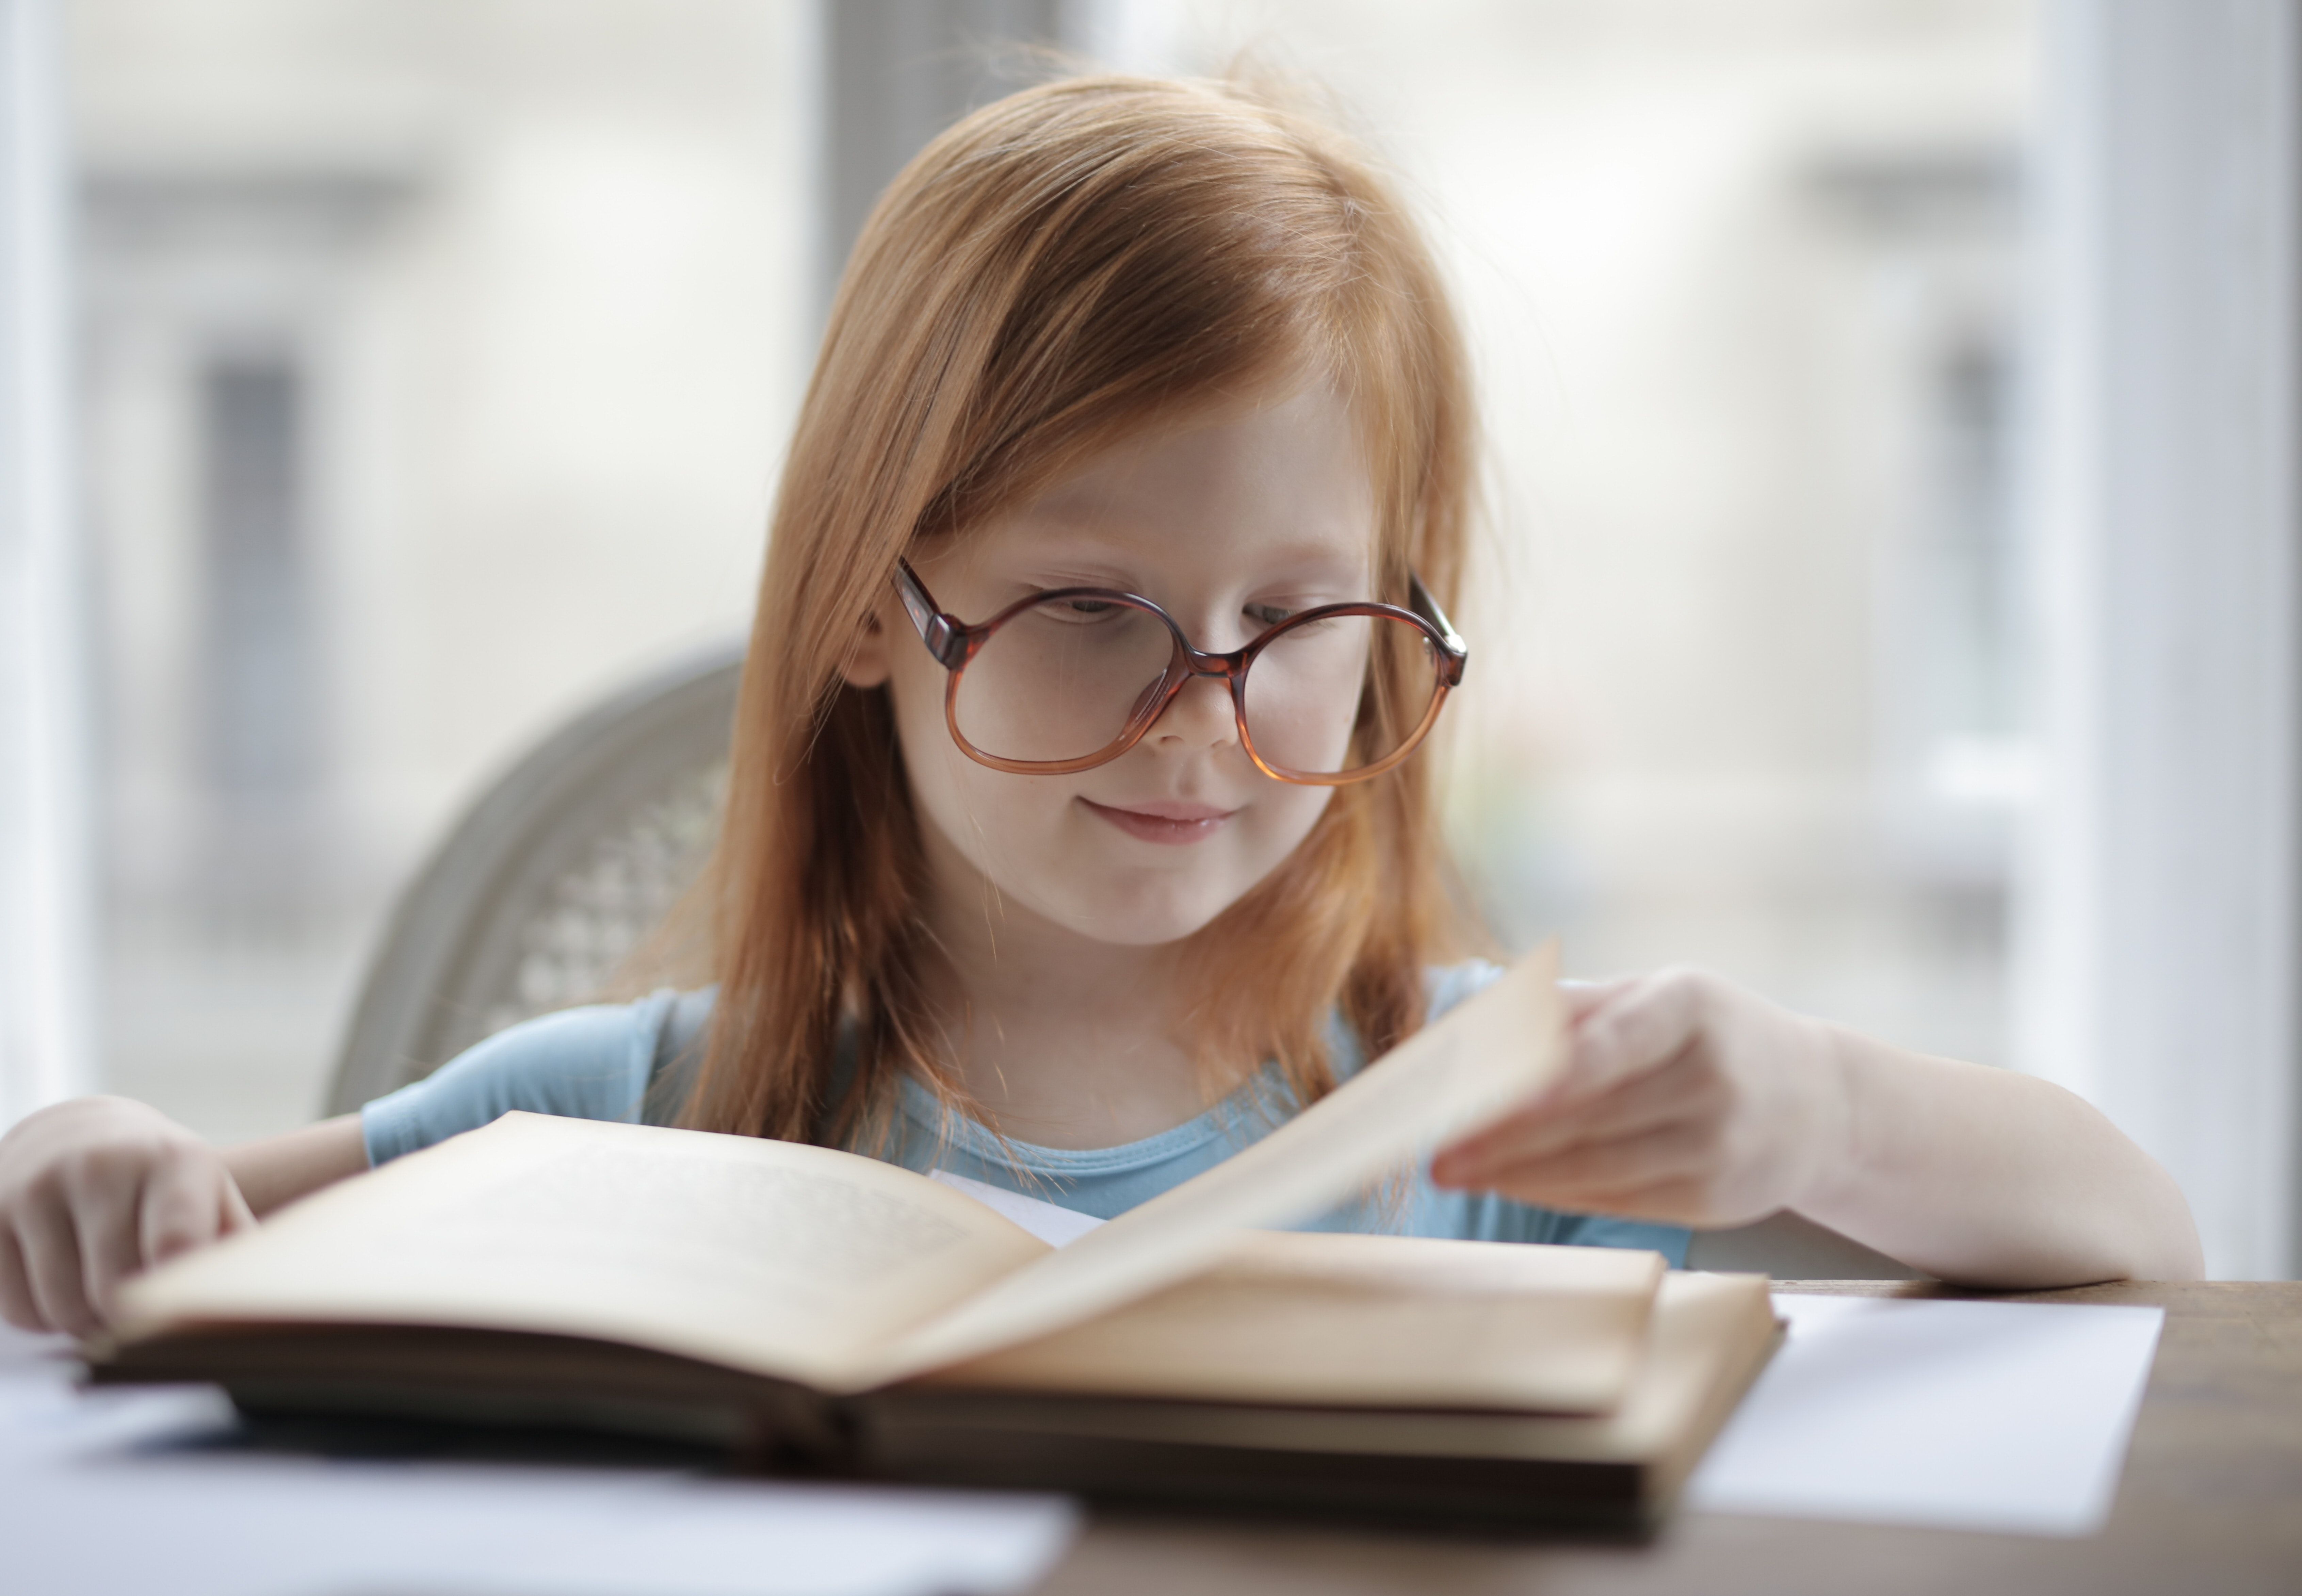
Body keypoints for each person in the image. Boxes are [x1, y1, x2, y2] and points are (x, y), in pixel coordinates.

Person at [0, 75, 2201, 1339]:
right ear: (876, 604)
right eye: (1091, 610)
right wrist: (75, 1162)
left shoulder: (1464, 1107)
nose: (1198, 723)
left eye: (1296, 616)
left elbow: (2136, 1233)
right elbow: (143, 1230)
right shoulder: (651, 1102)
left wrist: (1815, 1105)